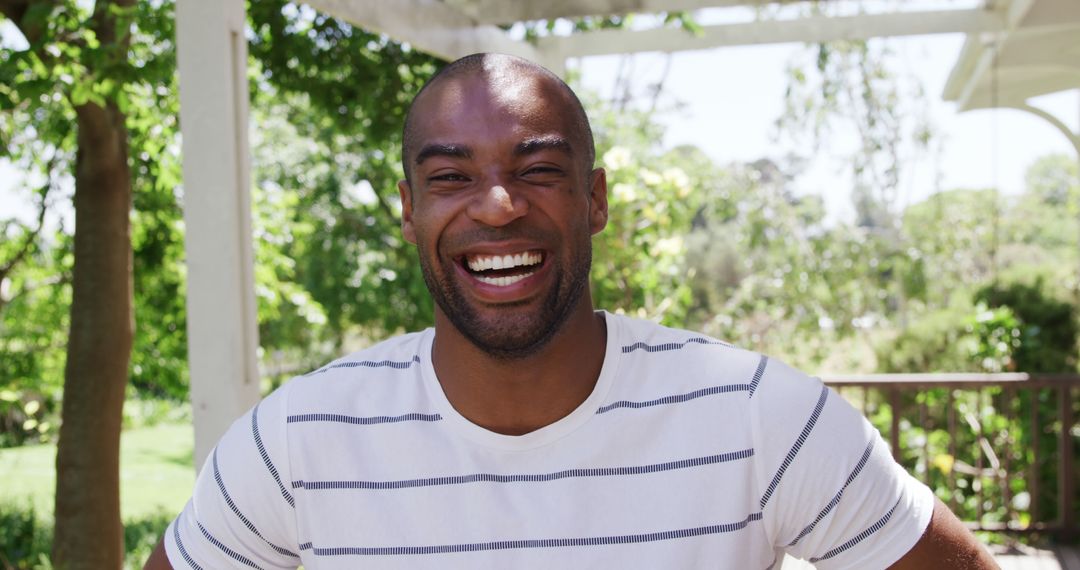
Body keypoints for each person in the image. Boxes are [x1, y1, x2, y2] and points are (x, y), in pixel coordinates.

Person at [146, 53, 998, 569]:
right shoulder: (295, 441)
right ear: (409, 212)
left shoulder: (758, 418)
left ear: (594, 200)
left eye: (539, 169)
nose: (497, 205)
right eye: (450, 178)